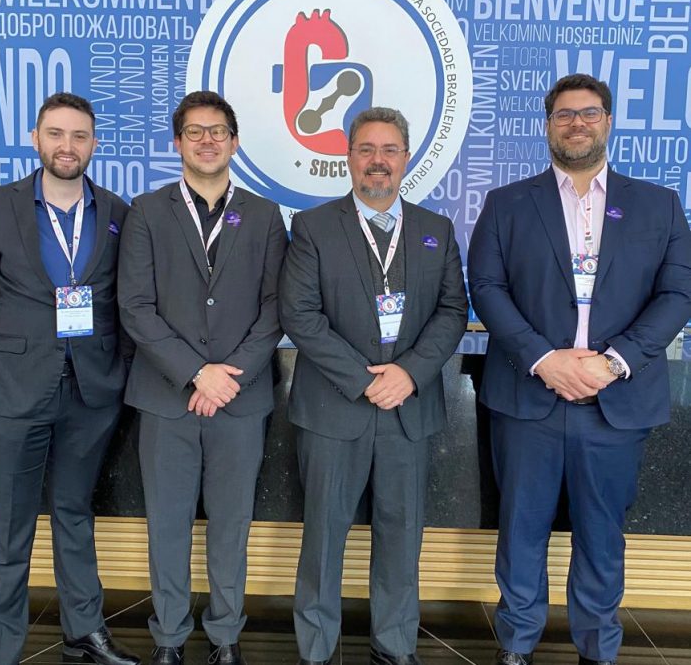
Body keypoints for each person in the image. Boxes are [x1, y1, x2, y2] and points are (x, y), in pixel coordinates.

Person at [468, 73, 691, 665]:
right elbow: (486, 287)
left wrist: (614, 362)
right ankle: (516, 645)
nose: (577, 124)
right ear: (548, 125)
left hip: (615, 400)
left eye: (589, 113)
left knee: (601, 534)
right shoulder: (507, 203)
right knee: (521, 529)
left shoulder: (658, 204)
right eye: (564, 114)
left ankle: (598, 648)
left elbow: (678, 293)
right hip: (529, 397)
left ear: (608, 121)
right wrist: (544, 359)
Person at [279, 107, 468, 665]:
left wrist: (408, 373)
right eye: (366, 149)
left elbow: (453, 311)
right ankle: (316, 650)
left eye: (389, 150)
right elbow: (300, 314)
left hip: (408, 410)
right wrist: (365, 381)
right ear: (348, 157)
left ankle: (395, 646)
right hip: (334, 409)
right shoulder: (312, 227)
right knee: (323, 538)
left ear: (406, 158)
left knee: (402, 535)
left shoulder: (436, 230)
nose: (377, 160)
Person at [0, 93, 138, 665]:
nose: (67, 146)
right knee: (10, 529)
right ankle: (2, 649)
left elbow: (126, 303)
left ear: (94, 144)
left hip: (91, 391)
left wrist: (118, 374)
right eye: (55, 134)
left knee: (75, 514)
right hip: (10, 392)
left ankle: (85, 632)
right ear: (35, 139)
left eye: (79, 136)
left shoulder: (117, 212)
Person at [118, 90, 288, 665]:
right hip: (168, 397)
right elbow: (135, 306)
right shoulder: (147, 211)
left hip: (240, 399)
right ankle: (168, 637)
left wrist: (227, 377)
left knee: (230, 525)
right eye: (195, 131)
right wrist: (196, 373)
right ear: (177, 143)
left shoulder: (264, 215)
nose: (207, 141)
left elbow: (276, 308)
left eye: (218, 131)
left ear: (234, 142)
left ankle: (225, 636)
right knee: (167, 524)